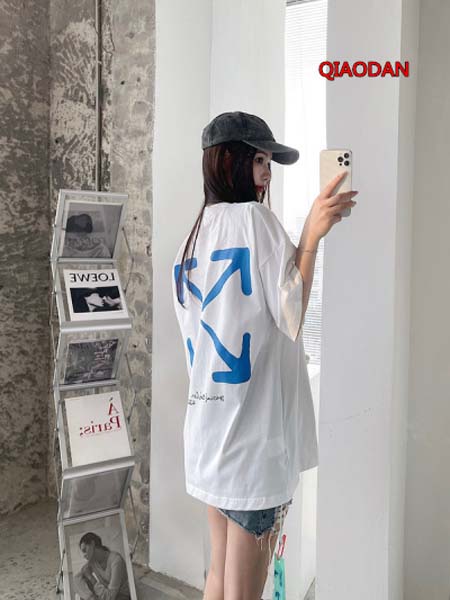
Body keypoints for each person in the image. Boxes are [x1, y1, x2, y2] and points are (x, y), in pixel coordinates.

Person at [171, 111, 358, 599]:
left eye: (268, 162)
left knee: (217, 575)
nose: (267, 172)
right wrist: (311, 235)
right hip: (253, 444)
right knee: (244, 593)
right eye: (258, 160)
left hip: (209, 435)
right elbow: (291, 313)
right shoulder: (256, 221)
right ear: (228, 161)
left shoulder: (191, 240)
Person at [73, 532, 130, 600]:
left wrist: (91, 578)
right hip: (106, 596)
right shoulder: (93, 562)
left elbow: (110, 597)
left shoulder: (116, 561)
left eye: (84, 550)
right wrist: (90, 597)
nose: (84, 555)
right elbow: (76, 579)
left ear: (92, 544)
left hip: (122, 597)